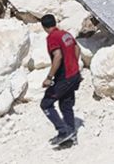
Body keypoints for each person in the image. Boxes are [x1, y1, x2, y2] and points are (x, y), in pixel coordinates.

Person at [40, 14, 82, 147]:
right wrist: (73, 64)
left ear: (44, 27)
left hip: (65, 77)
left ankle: (63, 132)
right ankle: (71, 134)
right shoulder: (66, 34)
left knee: (46, 103)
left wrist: (49, 78)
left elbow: (57, 56)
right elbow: (77, 48)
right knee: (66, 104)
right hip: (74, 74)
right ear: (55, 23)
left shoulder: (52, 37)